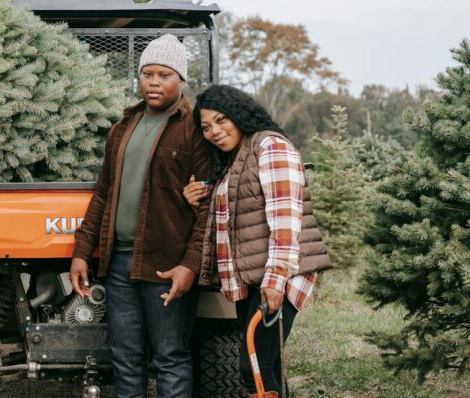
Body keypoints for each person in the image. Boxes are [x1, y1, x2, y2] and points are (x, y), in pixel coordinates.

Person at [70, 34, 213, 397]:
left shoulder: (195, 129)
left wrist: (190, 266)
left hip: (167, 265)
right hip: (118, 264)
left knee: (171, 357)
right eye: (147, 73)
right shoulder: (123, 128)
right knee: (124, 357)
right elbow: (102, 194)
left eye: (164, 74)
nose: (153, 81)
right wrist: (81, 253)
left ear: (181, 79)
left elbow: (209, 207)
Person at [183, 84, 332, 398]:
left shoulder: (270, 147)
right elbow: (241, 205)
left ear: (239, 114)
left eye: (222, 120)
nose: (214, 132)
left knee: (253, 368)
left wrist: (276, 277)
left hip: (278, 275)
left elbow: (285, 216)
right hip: (253, 278)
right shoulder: (238, 158)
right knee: (268, 365)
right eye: (206, 127)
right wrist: (203, 194)